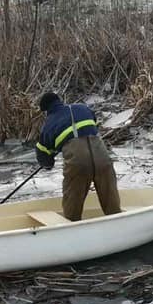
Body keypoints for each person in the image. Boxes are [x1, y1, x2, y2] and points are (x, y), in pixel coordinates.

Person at [35, 92, 121, 222]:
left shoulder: (49, 124)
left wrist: (48, 163)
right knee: (111, 199)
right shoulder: (83, 108)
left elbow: (43, 154)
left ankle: (72, 227)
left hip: (78, 164)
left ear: (46, 110)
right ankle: (118, 222)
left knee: (72, 203)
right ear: (60, 101)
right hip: (102, 157)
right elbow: (92, 127)